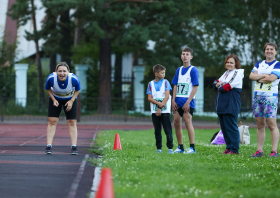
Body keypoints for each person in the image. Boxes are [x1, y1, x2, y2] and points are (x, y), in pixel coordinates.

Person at [249, 42, 280, 158]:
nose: (269, 51)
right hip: (257, 97)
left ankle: (274, 151)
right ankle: (259, 150)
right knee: (260, 125)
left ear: (276, 52)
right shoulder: (259, 63)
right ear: (264, 51)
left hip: (270, 97)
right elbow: (251, 76)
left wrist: (259, 77)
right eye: (267, 49)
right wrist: (265, 76)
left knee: (272, 124)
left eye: (272, 49)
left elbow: (272, 78)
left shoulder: (277, 64)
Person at [44, 62, 81, 155]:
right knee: (52, 121)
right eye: (59, 71)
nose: (62, 73)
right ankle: (49, 146)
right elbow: (47, 88)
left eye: (64, 71)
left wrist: (71, 101)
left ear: (68, 72)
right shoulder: (51, 78)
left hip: (70, 99)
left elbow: (77, 89)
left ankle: (74, 147)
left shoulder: (74, 79)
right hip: (56, 99)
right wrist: (53, 99)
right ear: (56, 72)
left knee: (72, 122)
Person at [213, 55, 244, 154]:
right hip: (222, 104)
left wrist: (219, 85)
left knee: (231, 127)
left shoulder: (237, 73)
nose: (229, 64)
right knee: (224, 127)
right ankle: (229, 147)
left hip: (231, 103)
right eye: (227, 62)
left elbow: (225, 87)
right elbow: (215, 83)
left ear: (236, 64)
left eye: (231, 62)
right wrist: (218, 84)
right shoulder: (226, 73)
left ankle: (234, 149)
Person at [171, 47, 199, 154]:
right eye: (183, 54)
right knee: (176, 122)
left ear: (191, 57)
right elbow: (175, 86)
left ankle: (192, 147)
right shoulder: (179, 70)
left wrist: (188, 102)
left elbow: (195, 88)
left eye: (187, 54)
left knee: (187, 122)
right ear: (181, 56)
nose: (185, 56)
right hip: (177, 101)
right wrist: (173, 100)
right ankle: (180, 147)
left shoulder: (193, 70)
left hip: (188, 102)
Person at [147, 64, 174, 154]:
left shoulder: (166, 82)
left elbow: (166, 97)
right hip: (154, 112)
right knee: (157, 130)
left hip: (165, 112)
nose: (164, 74)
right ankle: (159, 148)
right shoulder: (150, 84)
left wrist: (159, 108)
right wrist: (158, 104)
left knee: (168, 130)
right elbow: (149, 98)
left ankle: (170, 148)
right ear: (156, 74)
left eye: (164, 73)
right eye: (162, 73)